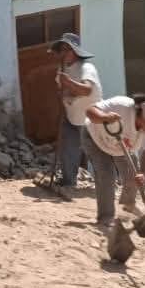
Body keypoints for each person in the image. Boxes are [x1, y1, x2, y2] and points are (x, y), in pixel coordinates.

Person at [83, 94, 145, 224]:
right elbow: (90, 111)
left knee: (134, 175)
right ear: (144, 116)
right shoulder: (121, 105)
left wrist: (144, 174)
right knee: (107, 175)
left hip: (122, 146)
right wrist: (104, 117)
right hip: (95, 138)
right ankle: (106, 217)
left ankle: (129, 204)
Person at [50, 33, 101, 189]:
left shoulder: (86, 68)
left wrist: (68, 82)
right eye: (62, 49)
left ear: (76, 51)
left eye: (68, 49)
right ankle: (68, 182)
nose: (64, 53)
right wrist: (64, 93)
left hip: (91, 118)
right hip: (72, 117)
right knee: (68, 149)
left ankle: (107, 183)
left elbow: (87, 90)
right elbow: (62, 90)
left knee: (96, 153)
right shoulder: (62, 69)